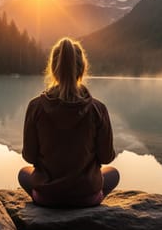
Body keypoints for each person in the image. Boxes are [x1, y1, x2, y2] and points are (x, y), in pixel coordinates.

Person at [18, 37, 119, 207]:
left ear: (53, 68)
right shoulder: (98, 109)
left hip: (47, 197)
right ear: (82, 69)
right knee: (113, 174)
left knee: (23, 174)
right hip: (86, 197)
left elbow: (29, 156)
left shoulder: (35, 107)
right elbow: (107, 158)